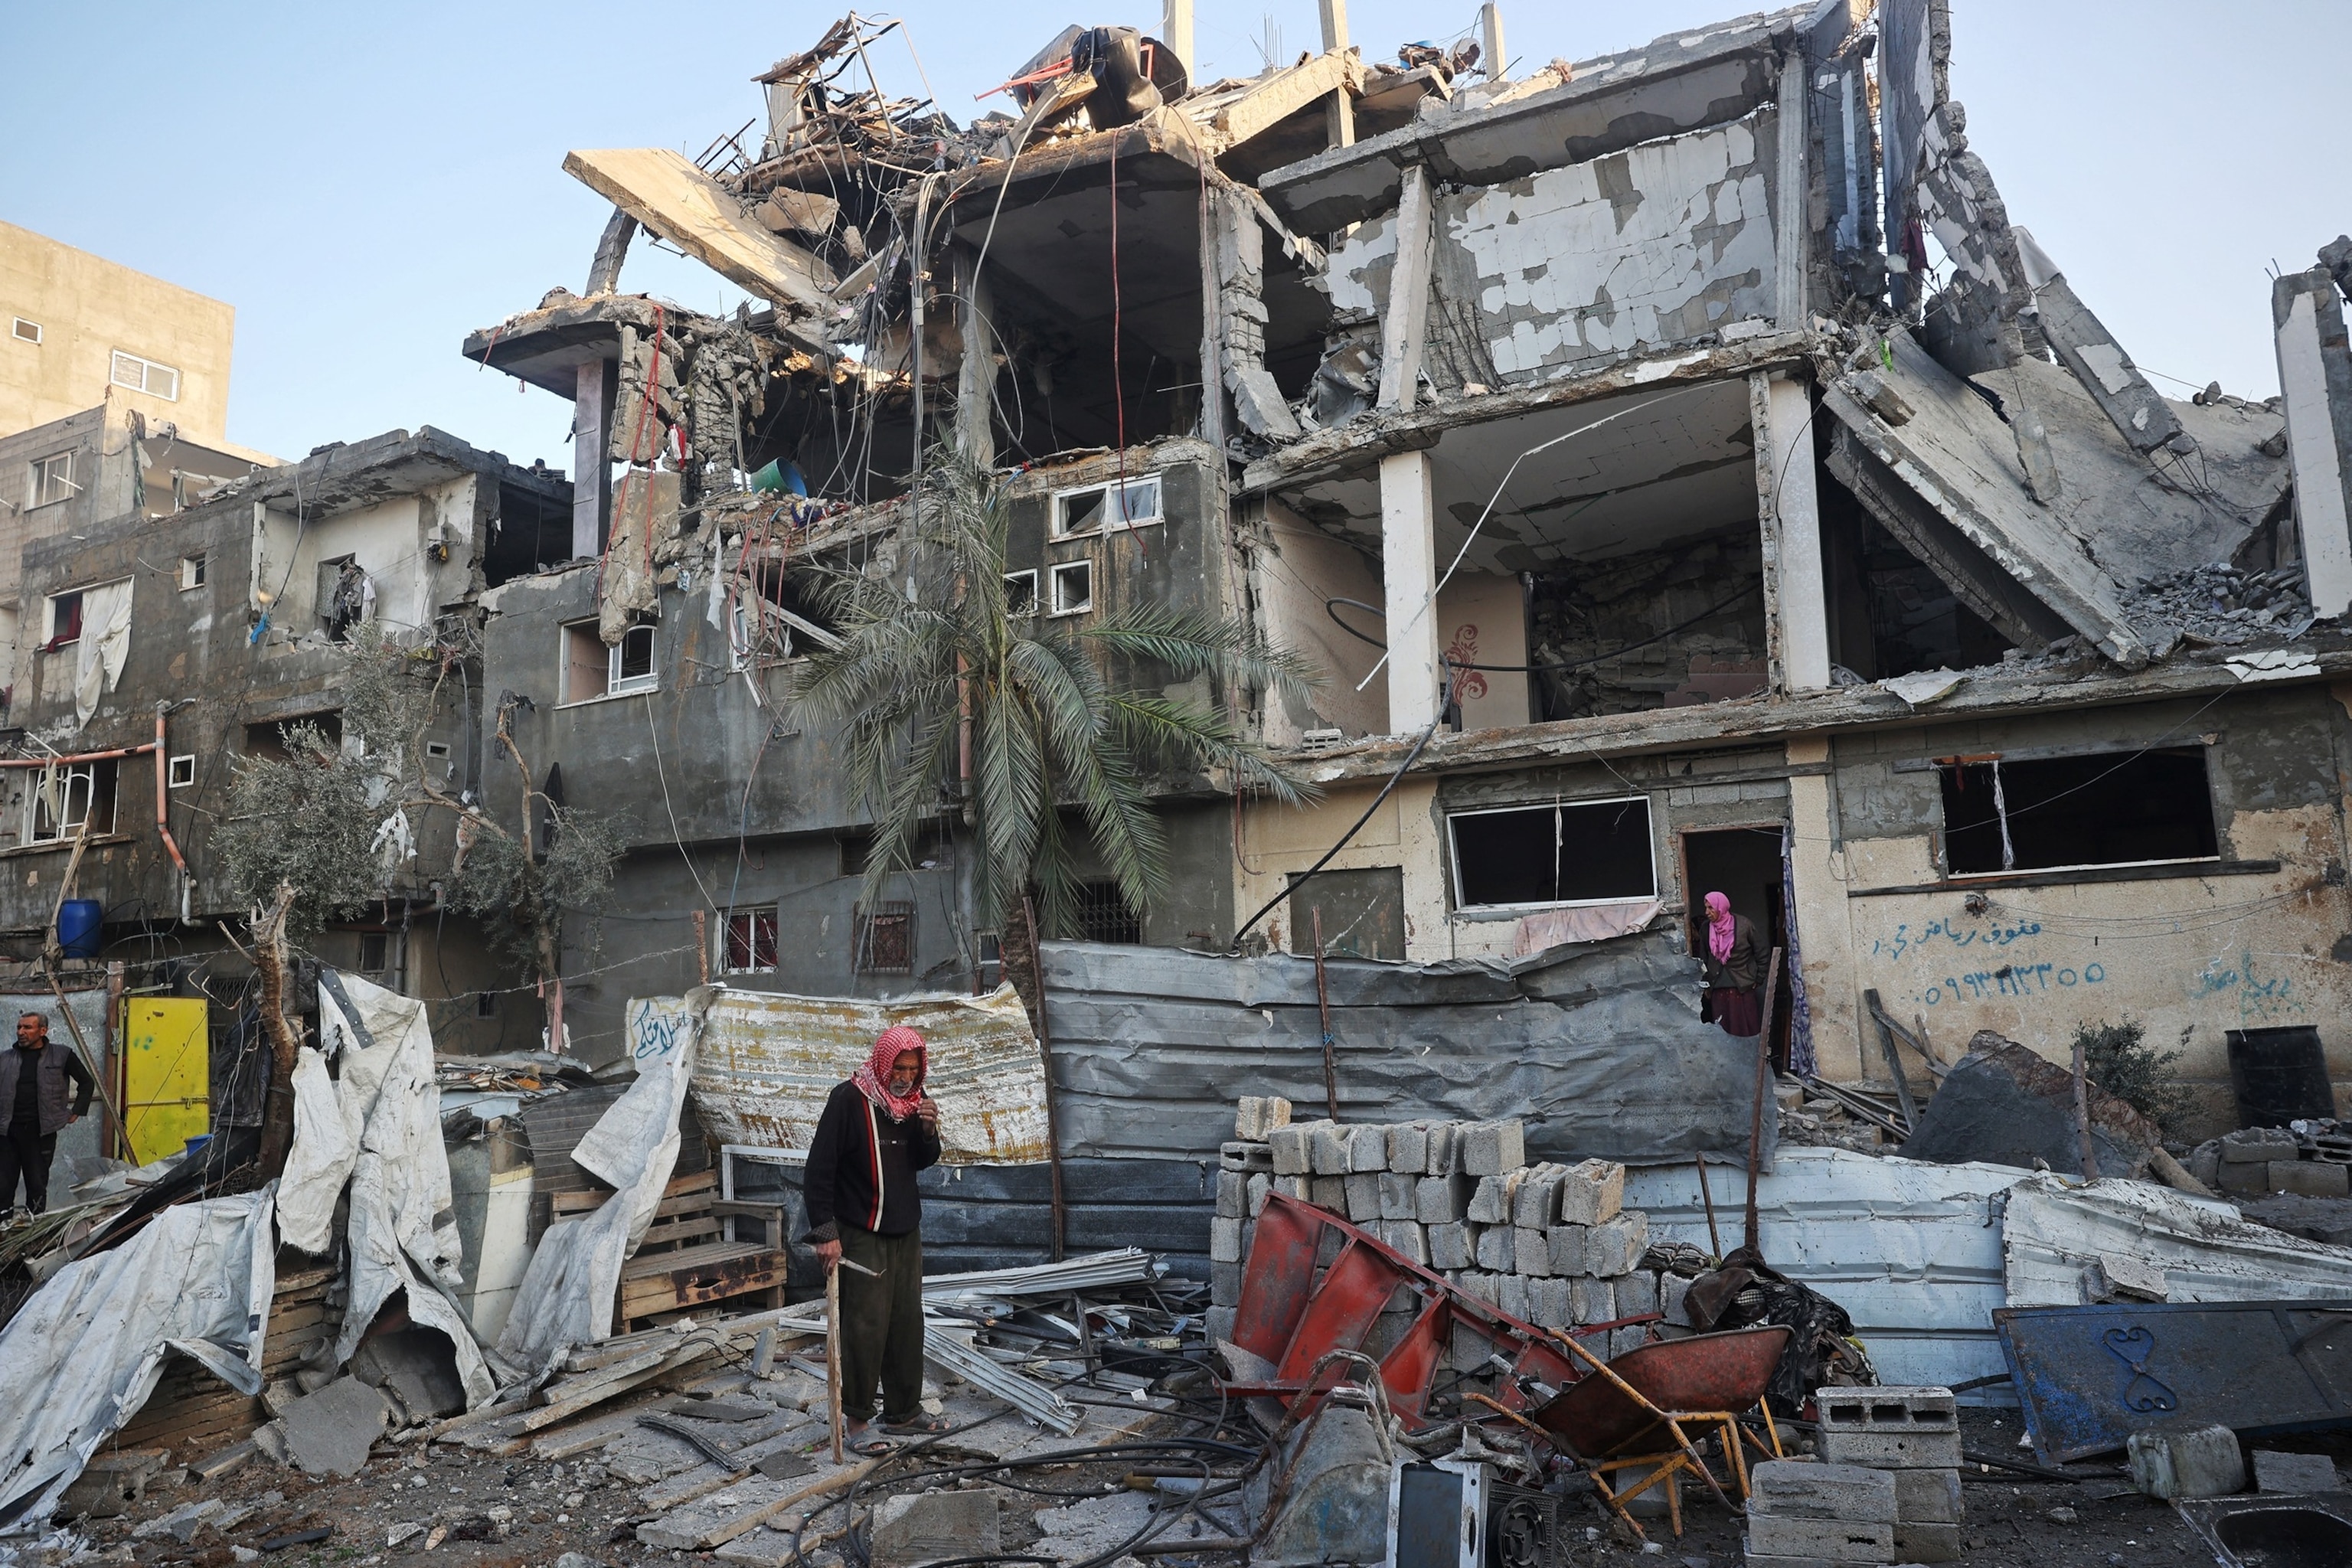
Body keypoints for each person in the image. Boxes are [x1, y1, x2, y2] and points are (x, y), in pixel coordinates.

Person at [803, 1024, 945, 1452]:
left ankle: (904, 1413)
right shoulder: (849, 1100)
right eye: (898, 1067)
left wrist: (928, 1133)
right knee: (865, 1326)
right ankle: (858, 1422)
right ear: (883, 1063)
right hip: (861, 1234)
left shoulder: (912, 1105)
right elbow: (818, 1172)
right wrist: (826, 1235)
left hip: (906, 1233)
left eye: (912, 1069)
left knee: (906, 1324)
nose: (904, 1076)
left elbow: (922, 1162)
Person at [0, 1011, 93, 1214]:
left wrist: (77, 1111)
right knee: (3, 1187)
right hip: (8, 1133)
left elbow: (87, 1083)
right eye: (19, 1027)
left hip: (40, 1132)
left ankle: (32, 1232)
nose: (21, 1032)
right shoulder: (5, 1059)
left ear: (43, 1031)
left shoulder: (62, 1055)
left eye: (28, 1028)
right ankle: (4, 1232)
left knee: (36, 1185)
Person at [1700, 891, 1767, 1037]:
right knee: (1722, 1031)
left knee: (1745, 1028)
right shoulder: (1706, 929)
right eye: (1706, 908)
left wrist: (1759, 978)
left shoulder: (1744, 925)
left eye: (1711, 908)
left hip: (1742, 988)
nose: (1707, 912)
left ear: (1721, 907)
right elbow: (1703, 958)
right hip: (1718, 990)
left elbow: (1762, 953)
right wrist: (1706, 984)